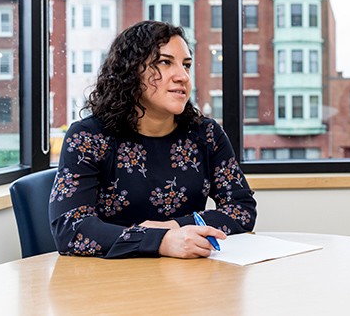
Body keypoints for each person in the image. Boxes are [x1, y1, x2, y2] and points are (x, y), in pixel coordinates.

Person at [50, 20, 257, 259]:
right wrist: (160, 241)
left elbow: (242, 209)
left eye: (186, 65)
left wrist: (175, 226)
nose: (182, 76)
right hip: (110, 280)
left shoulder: (206, 134)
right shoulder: (88, 137)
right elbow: (70, 228)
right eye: (165, 62)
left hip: (188, 277)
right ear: (131, 71)